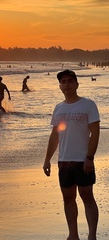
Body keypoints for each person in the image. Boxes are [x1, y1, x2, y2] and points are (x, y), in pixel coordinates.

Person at [43, 69, 100, 240]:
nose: (66, 85)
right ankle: (73, 235)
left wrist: (89, 157)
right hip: (64, 161)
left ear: (76, 84)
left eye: (69, 81)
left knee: (87, 196)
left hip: (83, 160)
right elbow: (55, 135)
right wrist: (47, 159)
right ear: (60, 86)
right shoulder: (58, 108)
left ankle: (92, 235)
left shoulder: (88, 105)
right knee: (68, 199)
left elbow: (95, 132)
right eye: (63, 82)